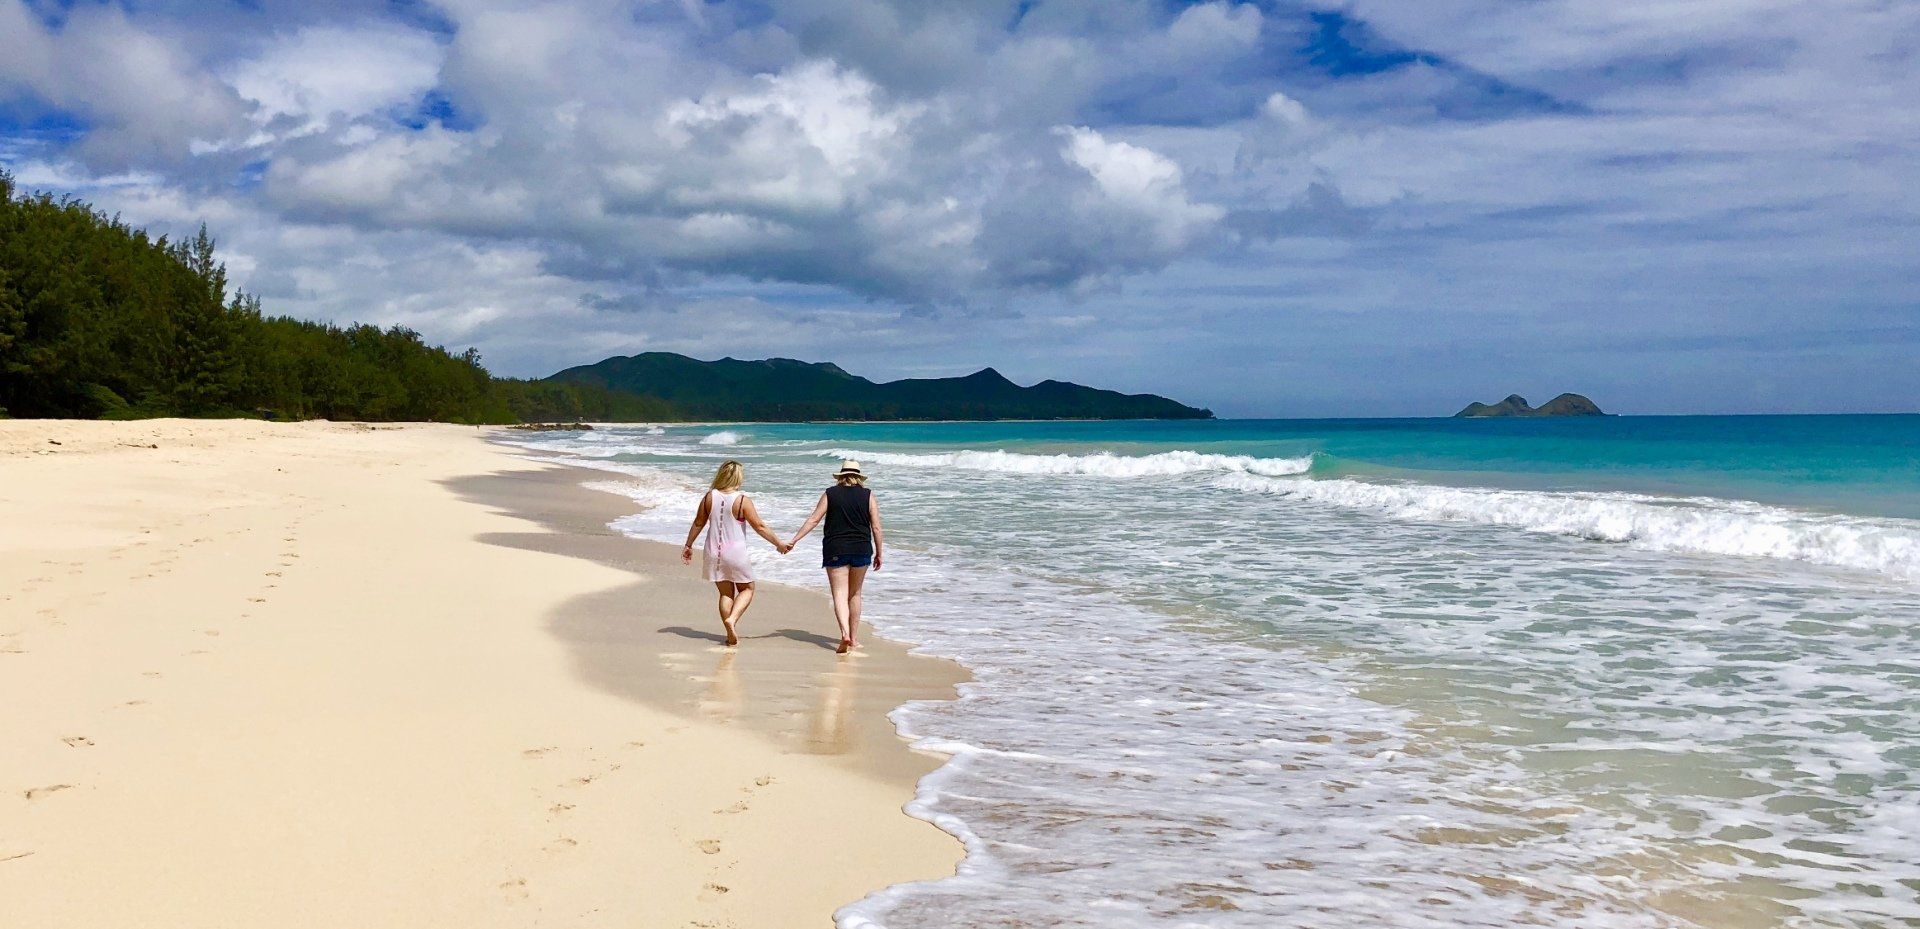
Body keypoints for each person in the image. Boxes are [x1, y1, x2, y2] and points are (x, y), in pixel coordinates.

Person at [681, 460, 788, 646]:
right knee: (747, 588)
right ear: (738, 477)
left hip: (713, 551)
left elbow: (699, 522)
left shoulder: (709, 497)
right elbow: (760, 527)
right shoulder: (742, 500)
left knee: (725, 594)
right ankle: (733, 620)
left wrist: (688, 545)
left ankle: (729, 630)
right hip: (735, 552)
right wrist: (778, 543)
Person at [786, 459, 883, 654]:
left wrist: (794, 540)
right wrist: (879, 552)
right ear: (858, 477)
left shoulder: (830, 493)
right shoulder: (868, 495)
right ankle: (854, 639)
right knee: (855, 594)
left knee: (839, 593)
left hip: (835, 549)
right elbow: (876, 526)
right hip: (861, 548)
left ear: (840, 476)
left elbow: (813, 520)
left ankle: (844, 634)